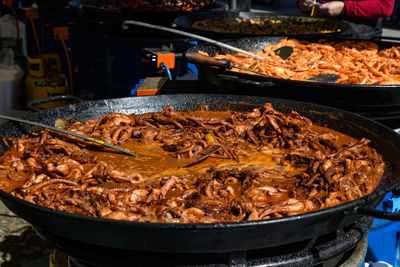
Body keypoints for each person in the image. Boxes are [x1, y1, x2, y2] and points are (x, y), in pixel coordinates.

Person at [296, 0, 395, 38]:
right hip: (320, 32)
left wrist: (345, 7)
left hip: (360, 37)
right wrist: (304, 5)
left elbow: (385, 6)